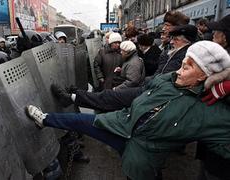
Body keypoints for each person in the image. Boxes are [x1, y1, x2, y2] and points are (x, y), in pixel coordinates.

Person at [26, 41, 230, 180]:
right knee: (78, 121)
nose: (178, 70)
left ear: (204, 75)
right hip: (120, 124)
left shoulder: (211, 111)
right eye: (183, 62)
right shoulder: (165, 82)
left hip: (144, 154)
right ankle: (44, 119)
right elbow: (123, 95)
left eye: (187, 67)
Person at [51, 24, 198, 112]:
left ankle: (72, 97)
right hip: (152, 88)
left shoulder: (186, 55)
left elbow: (166, 77)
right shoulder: (173, 53)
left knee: (108, 99)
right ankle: (73, 95)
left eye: (175, 39)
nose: (172, 42)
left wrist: (141, 81)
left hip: (156, 92)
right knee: (105, 98)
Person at [195, 14, 230, 180]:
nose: (213, 34)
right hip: (211, 133)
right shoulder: (219, 55)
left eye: (218, 31)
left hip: (223, 140)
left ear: (226, 36)